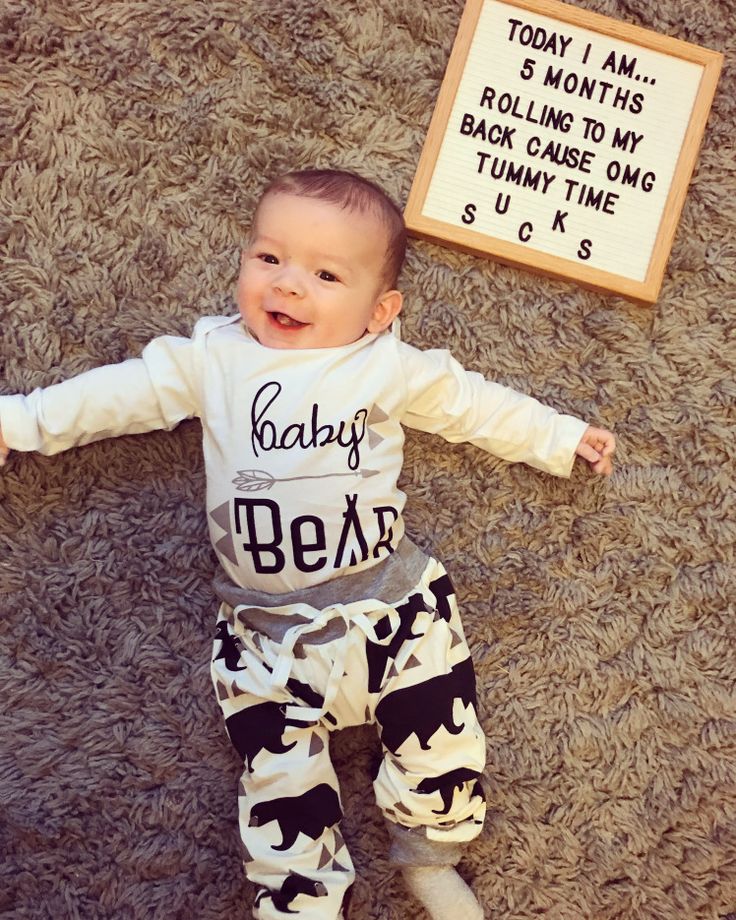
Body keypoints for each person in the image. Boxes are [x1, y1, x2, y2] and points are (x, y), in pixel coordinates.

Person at [0, 168, 615, 920]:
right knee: (276, 786)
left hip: (387, 607)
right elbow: (113, 396)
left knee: (442, 734)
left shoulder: (384, 364)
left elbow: (470, 404)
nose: (288, 286)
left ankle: (431, 855)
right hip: (266, 629)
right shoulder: (212, 358)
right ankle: (302, 902)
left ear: (380, 311)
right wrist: (21, 421)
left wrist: (559, 436)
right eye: (269, 259)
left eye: (326, 275)